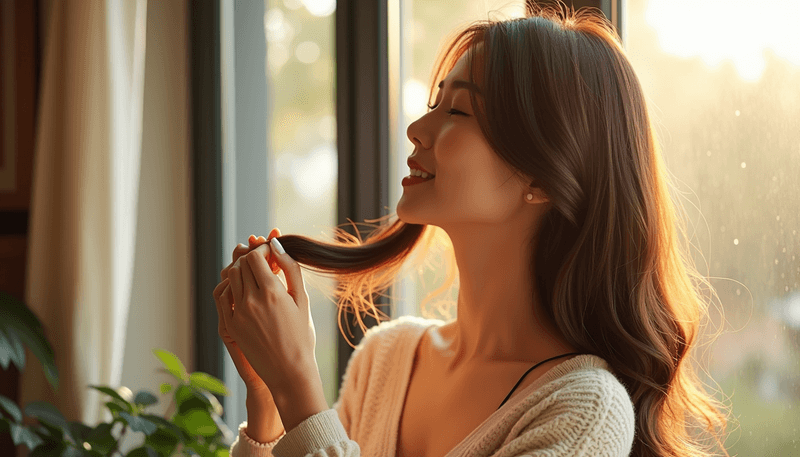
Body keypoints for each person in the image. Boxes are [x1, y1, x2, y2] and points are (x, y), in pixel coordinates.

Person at [214, 1, 731, 456]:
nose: (418, 129)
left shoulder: (584, 411)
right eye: (435, 102)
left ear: (544, 179)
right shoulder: (386, 359)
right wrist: (268, 404)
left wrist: (299, 384)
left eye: (458, 110)